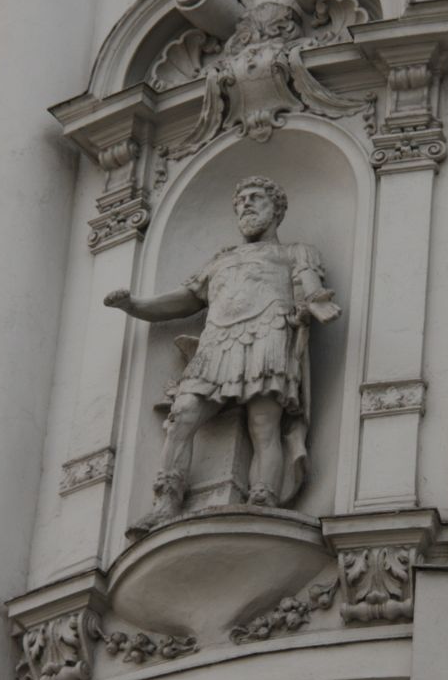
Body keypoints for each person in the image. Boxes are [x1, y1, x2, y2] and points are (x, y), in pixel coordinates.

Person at [104, 176, 340, 535]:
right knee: (183, 414)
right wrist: (134, 305)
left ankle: (263, 500)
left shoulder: (296, 252)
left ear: (276, 209)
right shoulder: (221, 260)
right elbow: (185, 299)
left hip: (268, 335)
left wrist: (317, 305)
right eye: (241, 201)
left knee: (263, 424)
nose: (246, 205)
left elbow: (311, 290)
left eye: (256, 198)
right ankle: (167, 501)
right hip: (216, 342)